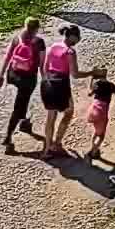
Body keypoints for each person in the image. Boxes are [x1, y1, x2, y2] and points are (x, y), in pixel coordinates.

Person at [0, 17, 44, 153]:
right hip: (28, 79)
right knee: (19, 105)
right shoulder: (39, 42)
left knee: (23, 101)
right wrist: (46, 78)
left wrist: (1, 75)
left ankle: (25, 122)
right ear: (36, 29)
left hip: (13, 74)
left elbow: (8, 56)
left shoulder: (17, 38)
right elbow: (42, 64)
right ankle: (8, 137)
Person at [39, 24, 82, 158]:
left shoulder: (52, 47)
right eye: (78, 37)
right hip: (61, 84)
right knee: (69, 112)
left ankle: (46, 150)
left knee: (50, 117)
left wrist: (47, 81)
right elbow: (75, 74)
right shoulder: (70, 52)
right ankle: (57, 143)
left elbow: (45, 68)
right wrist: (93, 72)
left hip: (47, 83)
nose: (79, 40)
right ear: (73, 36)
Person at [82, 67, 115, 161]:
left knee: (95, 131)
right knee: (101, 135)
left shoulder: (97, 84)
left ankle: (92, 148)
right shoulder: (111, 86)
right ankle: (94, 151)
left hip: (93, 110)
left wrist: (92, 79)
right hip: (102, 111)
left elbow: (89, 94)